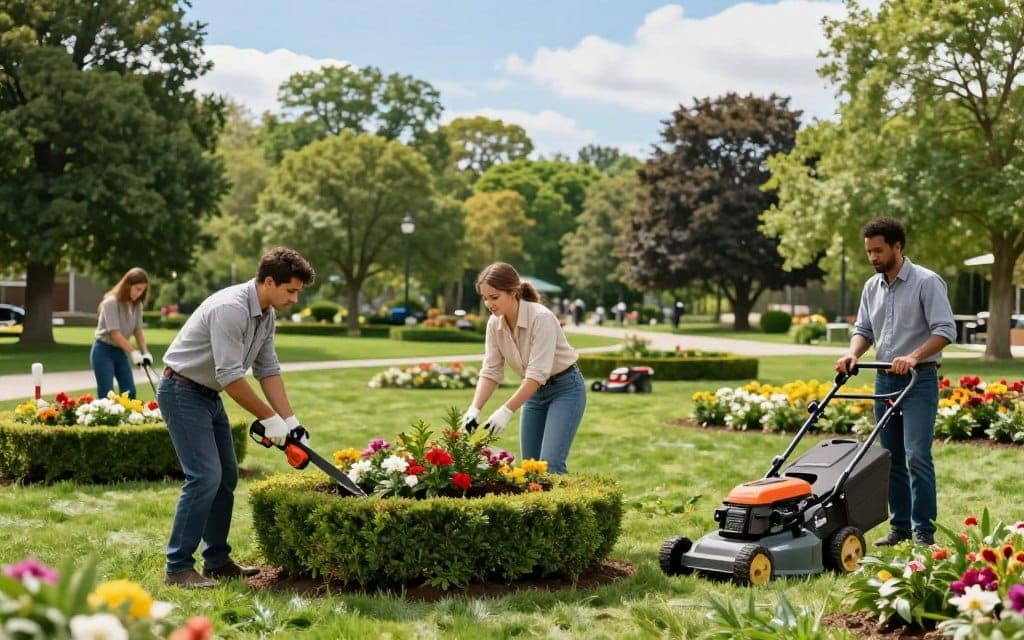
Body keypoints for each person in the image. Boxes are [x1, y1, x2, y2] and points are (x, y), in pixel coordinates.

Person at [159, 247, 315, 588]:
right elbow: (231, 376)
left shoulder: (267, 313)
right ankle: (178, 568)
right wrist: (269, 419)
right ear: (269, 281)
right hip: (181, 391)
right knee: (204, 477)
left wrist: (291, 422)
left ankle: (216, 561)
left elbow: (268, 370)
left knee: (226, 476)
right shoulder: (230, 309)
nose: (295, 298)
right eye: (291, 290)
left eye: (298, 292)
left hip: (207, 395)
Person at [835, 218, 955, 547]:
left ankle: (924, 534)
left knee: (917, 454)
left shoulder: (927, 282)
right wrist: (853, 354)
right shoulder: (872, 287)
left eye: (878, 250)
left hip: (919, 380)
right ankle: (899, 528)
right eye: (869, 252)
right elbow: (864, 329)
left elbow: (945, 330)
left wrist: (914, 356)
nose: (872, 257)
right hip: (884, 379)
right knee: (890, 458)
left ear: (897, 247)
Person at [461, 262, 586, 474]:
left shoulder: (542, 318)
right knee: (530, 467)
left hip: (565, 390)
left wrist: (506, 410)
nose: (489, 304)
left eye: (494, 297)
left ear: (514, 292)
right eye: (484, 298)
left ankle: (562, 506)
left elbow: (537, 374)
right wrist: (475, 409)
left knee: (550, 465)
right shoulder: (494, 324)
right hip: (534, 395)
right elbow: (491, 371)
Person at [91, 267, 152, 399]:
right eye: (138, 289)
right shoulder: (110, 303)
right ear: (128, 285)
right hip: (103, 351)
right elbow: (115, 334)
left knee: (129, 392)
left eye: (143, 290)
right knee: (107, 394)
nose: (140, 294)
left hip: (119, 351)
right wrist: (133, 352)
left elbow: (138, 330)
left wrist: (145, 352)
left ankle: (129, 419)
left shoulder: (137, 305)